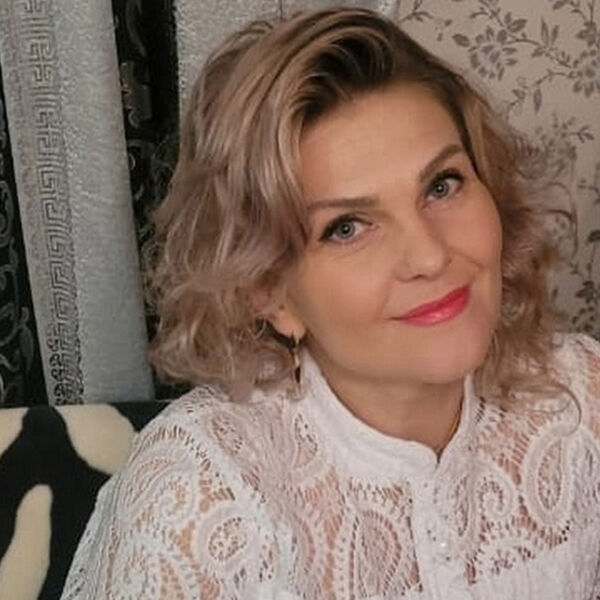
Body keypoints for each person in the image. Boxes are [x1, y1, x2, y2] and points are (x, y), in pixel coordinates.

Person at [61, 7, 600, 599]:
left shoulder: (583, 396)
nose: (429, 255)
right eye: (346, 227)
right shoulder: (201, 500)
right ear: (267, 289)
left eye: (441, 185)